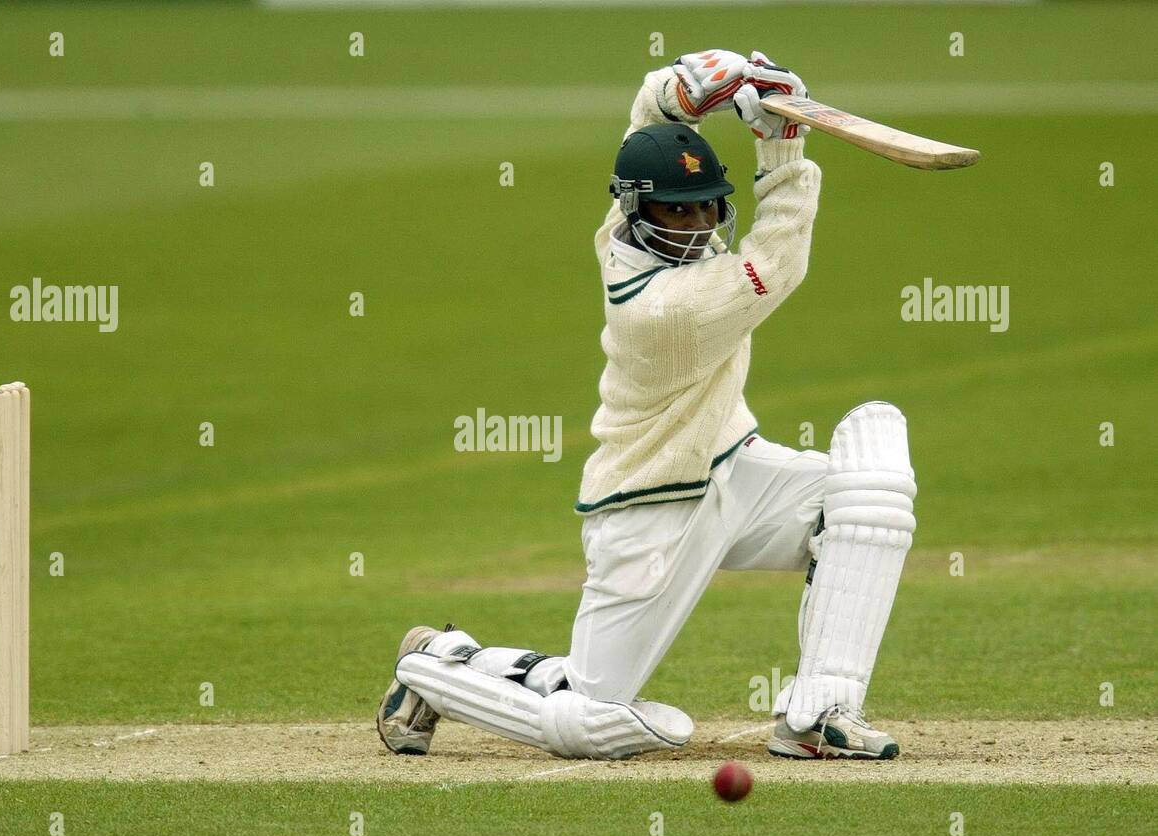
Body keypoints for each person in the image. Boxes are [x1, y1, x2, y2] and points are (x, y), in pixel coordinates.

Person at [377, 50, 915, 761]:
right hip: (649, 504)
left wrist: (685, 89)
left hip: (738, 468)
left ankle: (820, 712)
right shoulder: (668, 310)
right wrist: (782, 150)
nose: (695, 222)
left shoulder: (620, 227)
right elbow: (779, 262)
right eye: (675, 208)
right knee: (592, 718)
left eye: (705, 204)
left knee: (867, 490)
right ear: (637, 209)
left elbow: (647, 127)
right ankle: (439, 666)